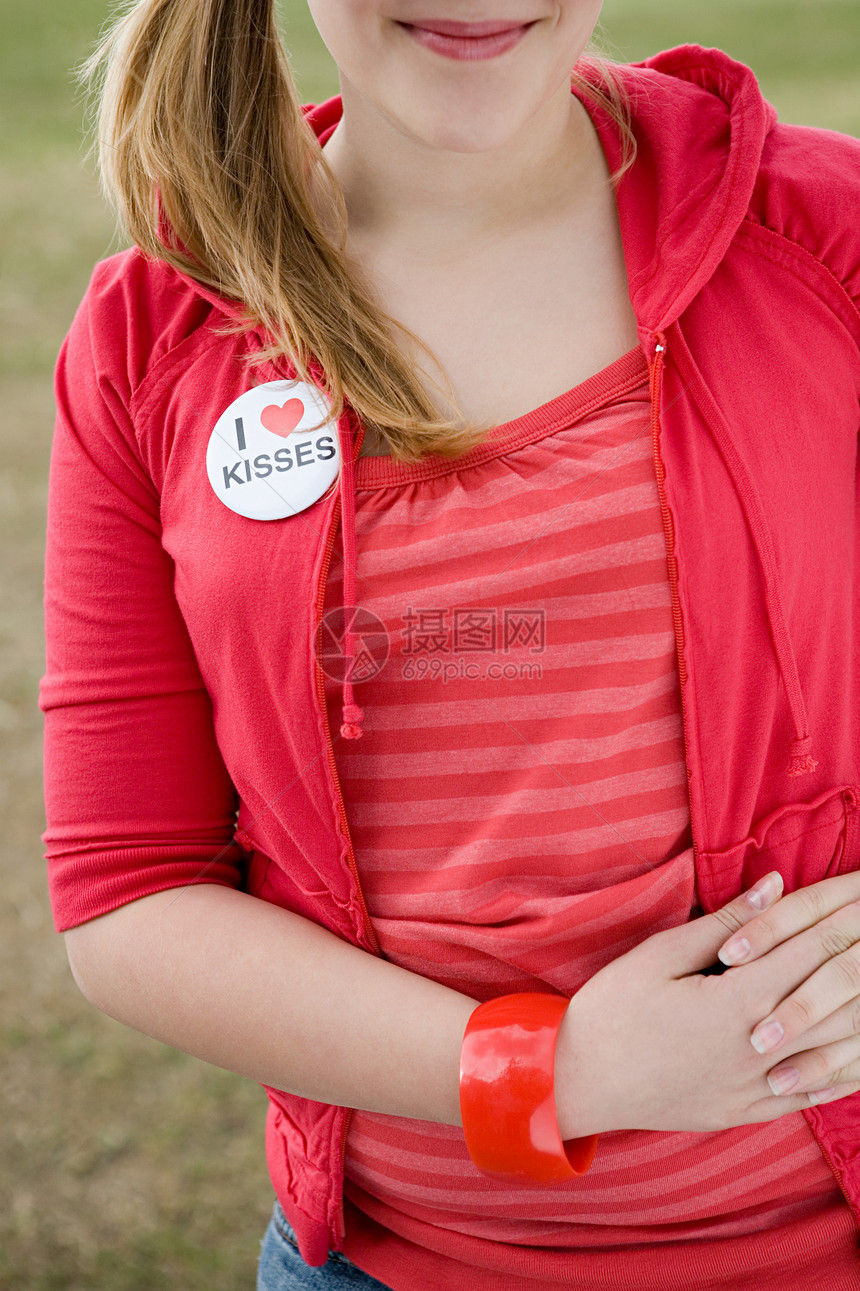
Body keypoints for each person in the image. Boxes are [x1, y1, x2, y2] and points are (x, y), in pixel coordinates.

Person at [40, 1, 860, 1287]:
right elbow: (130, 891)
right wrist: (558, 1074)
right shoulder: (151, 340)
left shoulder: (818, 235)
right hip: (384, 1262)